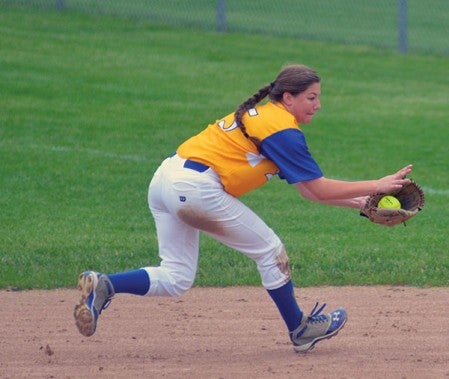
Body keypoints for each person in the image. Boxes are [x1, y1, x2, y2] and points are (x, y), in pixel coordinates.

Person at [74, 64, 412, 352]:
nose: (318, 105)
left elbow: (311, 192)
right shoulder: (282, 130)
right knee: (270, 251)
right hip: (194, 189)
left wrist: (365, 205)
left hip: (165, 180)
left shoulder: (269, 119)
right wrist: (376, 185)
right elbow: (320, 188)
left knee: (176, 277)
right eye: (312, 97)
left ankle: (106, 284)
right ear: (288, 98)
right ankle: (300, 330)